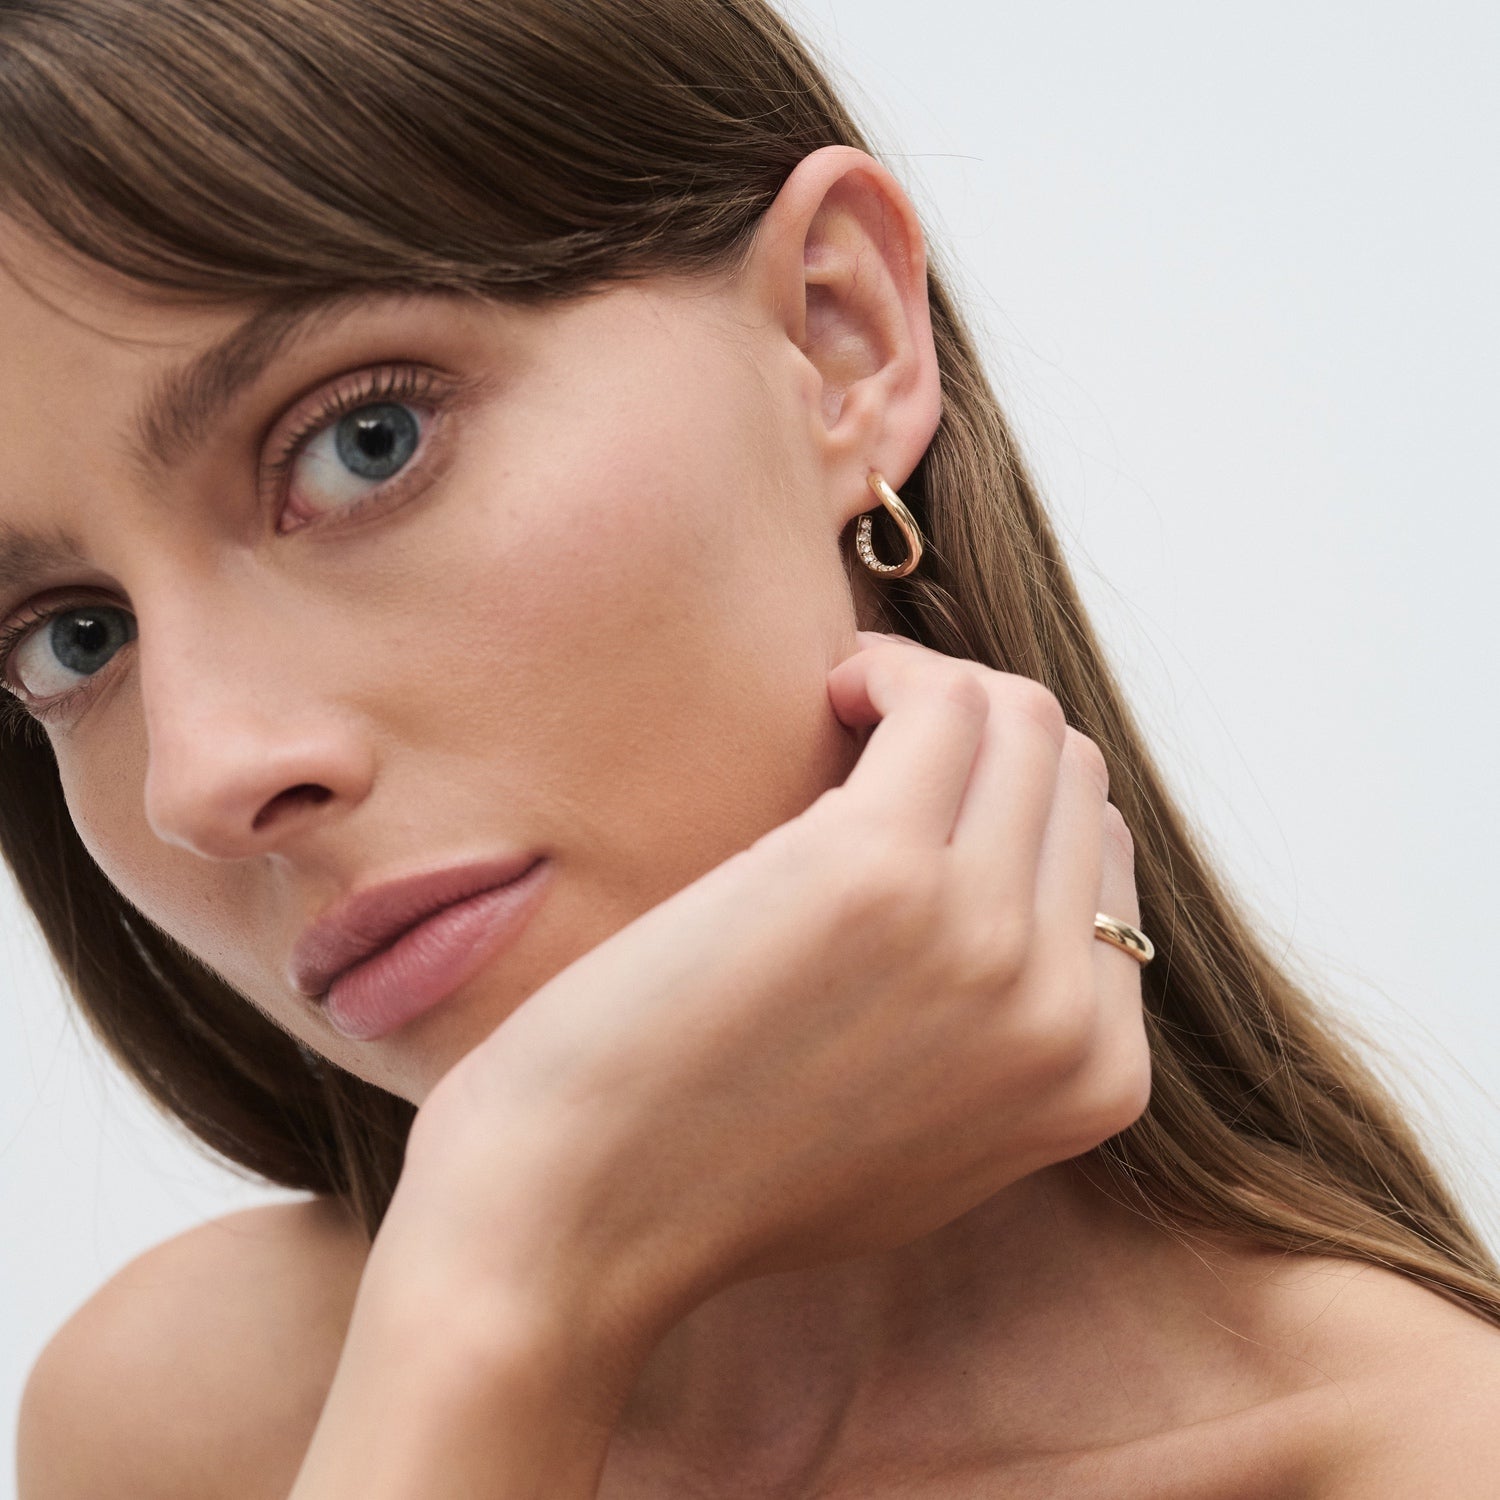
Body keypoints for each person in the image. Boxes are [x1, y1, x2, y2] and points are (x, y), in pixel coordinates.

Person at [3, 0, 1497, 1494]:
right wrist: (511, 1287)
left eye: (362, 442)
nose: (201, 778)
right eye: (73, 637)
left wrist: (516, 1277)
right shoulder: (180, 1423)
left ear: (840, 340)